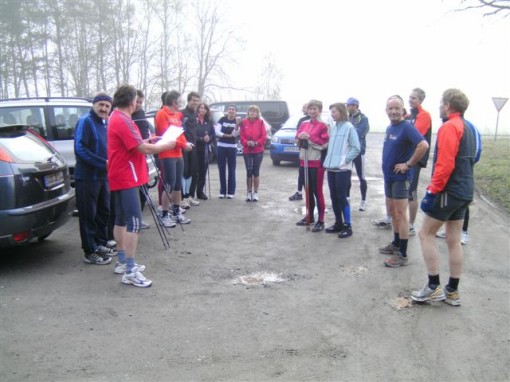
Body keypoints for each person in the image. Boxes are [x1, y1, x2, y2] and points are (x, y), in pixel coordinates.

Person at [411, 89, 476, 305]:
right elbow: (474, 157)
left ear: (448, 105)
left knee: (425, 233)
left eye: (441, 102)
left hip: (448, 191)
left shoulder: (450, 127)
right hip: (465, 191)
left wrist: (432, 190)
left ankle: (433, 286)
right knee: (453, 239)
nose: (439, 106)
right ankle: (452, 291)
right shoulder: (469, 127)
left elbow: (445, 164)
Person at [107, 85, 177, 287]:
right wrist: (165, 145)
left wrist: (149, 140)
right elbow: (142, 148)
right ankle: (129, 269)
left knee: (120, 220)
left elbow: (134, 143)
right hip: (127, 176)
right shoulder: (123, 119)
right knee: (134, 222)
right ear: (131, 102)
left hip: (120, 175)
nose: (138, 104)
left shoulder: (116, 118)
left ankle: (123, 262)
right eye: (137, 100)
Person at [378, 95, 429, 267]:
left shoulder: (407, 127)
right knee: (393, 213)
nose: (393, 111)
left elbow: (423, 145)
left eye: (396, 108)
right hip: (389, 178)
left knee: (401, 215)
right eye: (390, 108)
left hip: (401, 179)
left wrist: (408, 164)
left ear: (402, 110)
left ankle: (403, 254)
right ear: (386, 110)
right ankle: (396, 243)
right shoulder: (389, 128)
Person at [74, 92, 117, 265]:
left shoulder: (104, 123)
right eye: (101, 105)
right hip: (87, 177)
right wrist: (102, 163)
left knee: (103, 211)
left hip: (102, 177)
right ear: (94, 105)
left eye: (107, 106)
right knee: (88, 215)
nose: (104, 108)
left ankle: (100, 242)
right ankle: (90, 251)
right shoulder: (86, 121)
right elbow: (80, 148)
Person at [436, 118, 481, 245]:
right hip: (451, 172)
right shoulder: (447, 124)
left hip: (463, 171)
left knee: (462, 203)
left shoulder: (469, 125)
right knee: (449, 202)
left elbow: (477, 150)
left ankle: (464, 233)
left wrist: (467, 164)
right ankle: (447, 229)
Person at [155, 90, 193, 226]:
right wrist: (183, 144)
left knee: (177, 186)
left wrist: (185, 143)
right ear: (173, 102)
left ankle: (176, 212)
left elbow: (180, 133)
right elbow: (166, 136)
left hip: (178, 154)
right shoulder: (161, 114)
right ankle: (164, 214)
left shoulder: (178, 115)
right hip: (167, 154)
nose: (181, 103)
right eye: (179, 101)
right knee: (169, 184)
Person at [323, 103, 360, 237]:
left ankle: (348, 226)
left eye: (334, 112)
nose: (332, 114)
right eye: (331, 112)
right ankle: (338, 223)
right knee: (333, 196)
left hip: (342, 169)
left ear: (341, 112)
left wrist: (344, 161)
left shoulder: (349, 128)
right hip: (331, 168)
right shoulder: (334, 128)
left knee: (341, 197)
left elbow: (356, 148)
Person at [295, 100, 329, 231]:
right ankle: (309, 216)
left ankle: (321, 220)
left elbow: (324, 144)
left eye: (315, 109)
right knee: (307, 190)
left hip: (317, 162)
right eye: (310, 109)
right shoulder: (303, 123)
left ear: (319, 110)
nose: (312, 111)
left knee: (317, 191)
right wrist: (300, 139)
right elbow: (296, 140)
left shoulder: (324, 125)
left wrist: (309, 139)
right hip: (304, 161)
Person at [406, 88, 432, 235]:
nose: (411, 100)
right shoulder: (410, 115)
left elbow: (413, 135)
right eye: (410, 97)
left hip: (416, 158)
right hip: (406, 157)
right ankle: (397, 219)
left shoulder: (424, 115)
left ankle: (411, 225)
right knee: (403, 191)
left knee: (412, 192)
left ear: (421, 101)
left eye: (414, 98)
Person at [132, 89, 151, 229]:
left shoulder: (141, 113)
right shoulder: (124, 114)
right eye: (137, 101)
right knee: (132, 191)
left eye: (140, 102)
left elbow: (145, 131)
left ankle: (139, 216)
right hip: (131, 157)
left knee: (144, 188)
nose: (138, 105)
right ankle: (132, 219)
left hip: (142, 154)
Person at [346, 97, 370, 211]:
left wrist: (348, 132)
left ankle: (363, 201)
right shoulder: (346, 118)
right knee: (346, 176)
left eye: (348, 105)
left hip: (359, 152)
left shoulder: (363, 118)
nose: (347, 107)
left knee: (362, 177)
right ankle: (347, 199)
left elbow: (358, 133)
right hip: (347, 152)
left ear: (355, 106)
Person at [239, 105, 267, 202]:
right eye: (251, 111)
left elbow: (264, 136)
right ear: (248, 112)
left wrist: (256, 143)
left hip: (258, 150)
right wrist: (246, 142)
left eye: (254, 111)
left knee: (256, 172)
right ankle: (249, 192)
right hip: (247, 150)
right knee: (249, 172)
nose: (252, 113)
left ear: (257, 113)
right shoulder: (243, 122)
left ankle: (255, 193)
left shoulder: (261, 122)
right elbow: (241, 136)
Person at [181, 91, 201, 208]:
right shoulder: (182, 114)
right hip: (184, 146)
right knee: (184, 171)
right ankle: (182, 198)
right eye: (193, 100)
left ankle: (188, 196)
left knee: (191, 172)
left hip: (193, 147)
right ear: (189, 100)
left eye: (197, 101)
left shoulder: (195, 114)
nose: (195, 102)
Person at [215, 104, 240, 198]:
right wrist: (227, 136)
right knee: (221, 169)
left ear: (235, 111)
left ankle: (231, 192)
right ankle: (222, 191)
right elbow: (217, 132)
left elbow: (236, 133)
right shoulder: (222, 119)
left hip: (232, 147)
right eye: (229, 109)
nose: (231, 111)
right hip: (221, 146)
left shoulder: (237, 121)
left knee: (232, 169)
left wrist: (237, 125)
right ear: (227, 111)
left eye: (233, 109)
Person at [194, 103, 216, 200]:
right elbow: (192, 135)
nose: (203, 110)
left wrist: (209, 138)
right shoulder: (194, 120)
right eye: (201, 108)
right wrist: (201, 139)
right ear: (198, 109)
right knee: (194, 171)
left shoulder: (209, 121)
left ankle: (200, 192)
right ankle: (190, 193)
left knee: (203, 171)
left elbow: (213, 134)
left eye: (205, 108)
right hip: (195, 149)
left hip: (205, 149)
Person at [288, 103, 310, 201]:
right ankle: (299, 192)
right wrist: (299, 140)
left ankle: (311, 196)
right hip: (303, 150)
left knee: (311, 177)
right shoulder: (302, 120)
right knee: (301, 172)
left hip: (314, 154)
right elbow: (298, 135)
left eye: (304, 108)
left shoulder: (320, 122)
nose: (302, 109)